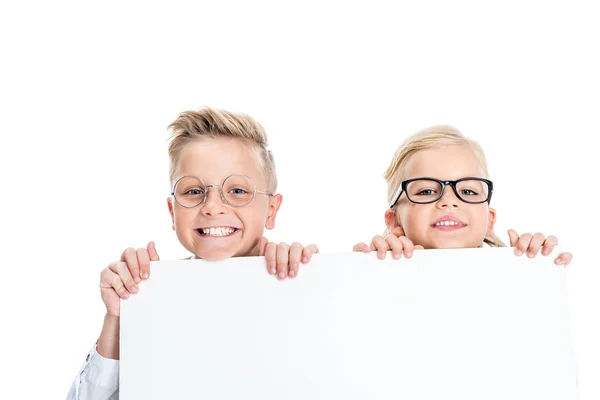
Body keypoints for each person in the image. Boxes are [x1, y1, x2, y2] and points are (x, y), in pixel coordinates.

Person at [67, 107, 318, 400]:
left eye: (237, 191)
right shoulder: (149, 293)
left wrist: (314, 280)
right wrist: (119, 318)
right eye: (193, 191)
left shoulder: (306, 281)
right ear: (173, 213)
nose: (213, 206)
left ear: (271, 211)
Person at [353, 125, 572, 266]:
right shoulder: (373, 267)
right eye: (427, 191)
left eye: (467, 191)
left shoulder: (520, 269)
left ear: (489, 220)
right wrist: (364, 268)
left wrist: (541, 263)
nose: (448, 201)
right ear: (394, 221)